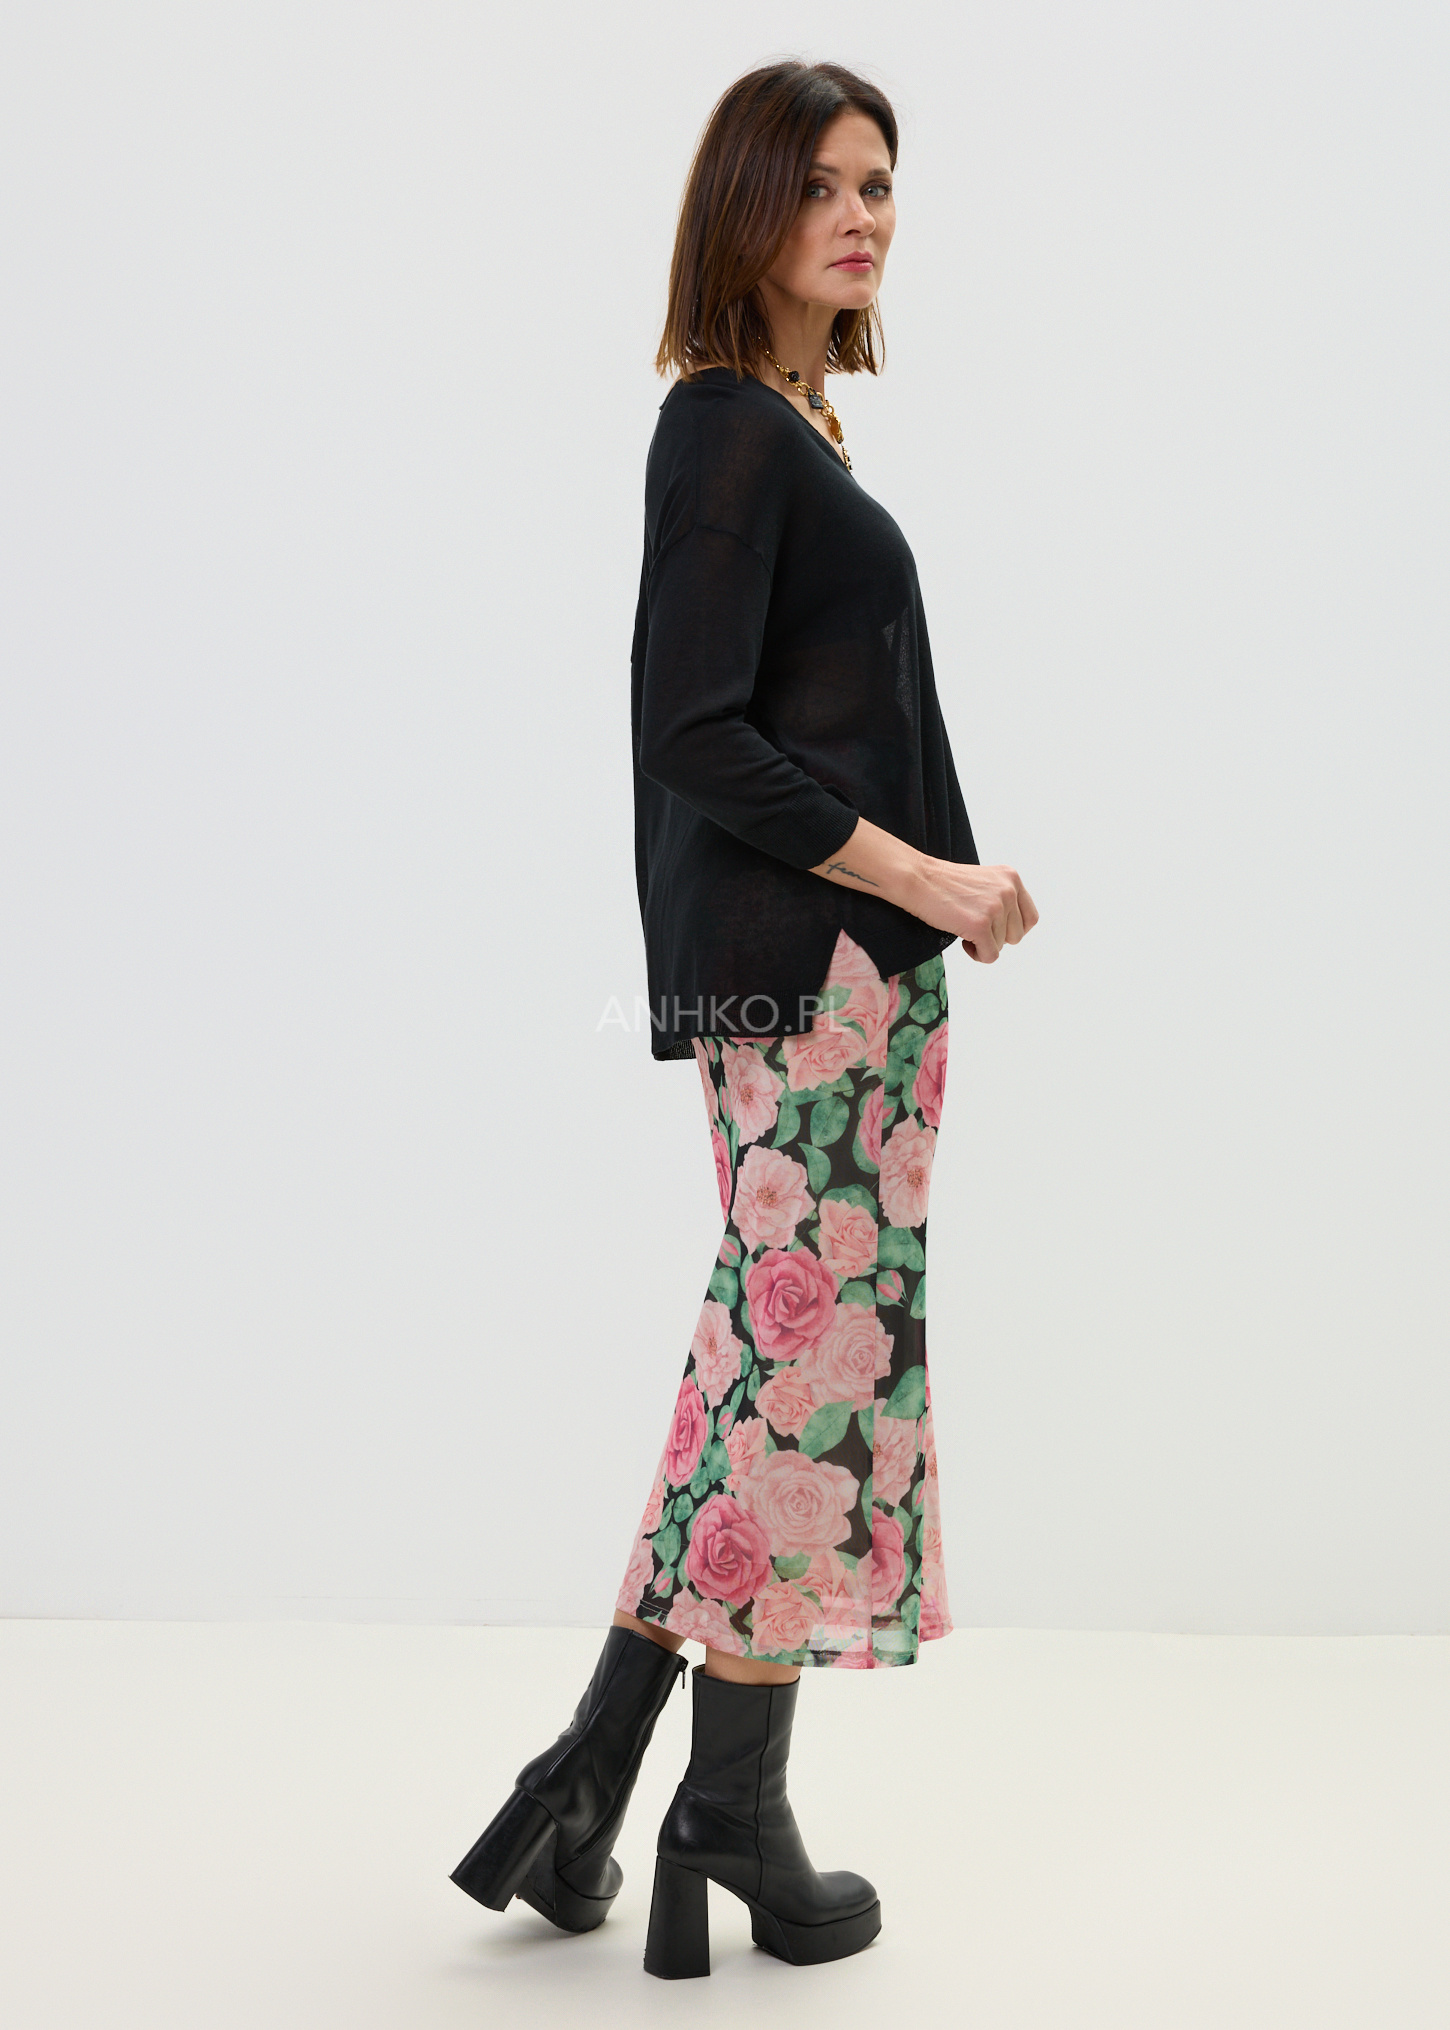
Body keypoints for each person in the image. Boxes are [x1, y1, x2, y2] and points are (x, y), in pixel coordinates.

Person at [449, 58, 1037, 1978]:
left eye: (881, 184)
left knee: (763, 1373)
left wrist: (930, 900)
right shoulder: (720, 429)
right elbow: (690, 732)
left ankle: (596, 1783)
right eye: (823, 185)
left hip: (831, 980)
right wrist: (924, 878)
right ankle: (720, 1804)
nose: (862, 216)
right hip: (812, 978)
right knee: (798, 1379)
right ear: (746, 208)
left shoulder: (785, 427)